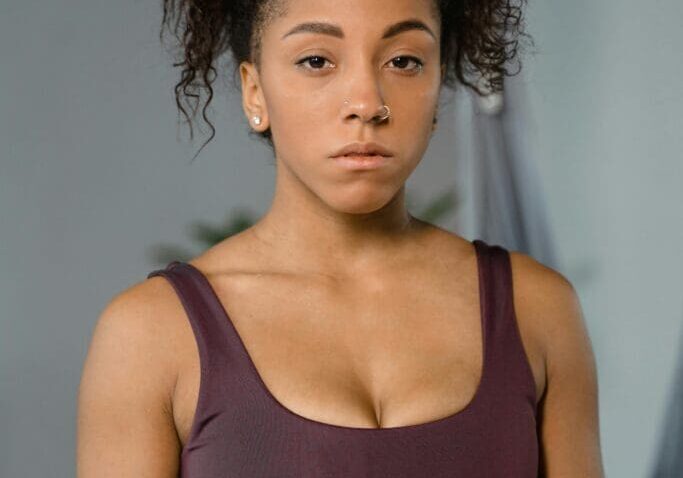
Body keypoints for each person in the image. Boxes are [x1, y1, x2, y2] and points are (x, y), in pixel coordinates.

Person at [76, 0, 604, 476]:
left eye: (403, 61)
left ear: (439, 83)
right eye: (317, 61)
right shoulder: (150, 335)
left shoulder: (538, 310)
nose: (367, 103)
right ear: (254, 90)